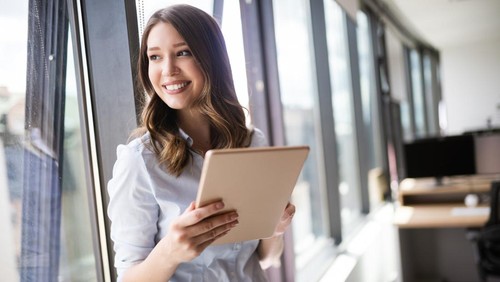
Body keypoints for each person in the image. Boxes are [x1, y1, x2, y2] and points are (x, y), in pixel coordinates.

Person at [107, 4, 295, 282]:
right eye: (155, 57)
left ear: (212, 59)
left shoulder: (251, 142)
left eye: (183, 53)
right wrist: (170, 251)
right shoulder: (139, 161)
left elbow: (265, 259)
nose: (168, 69)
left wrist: (275, 227)